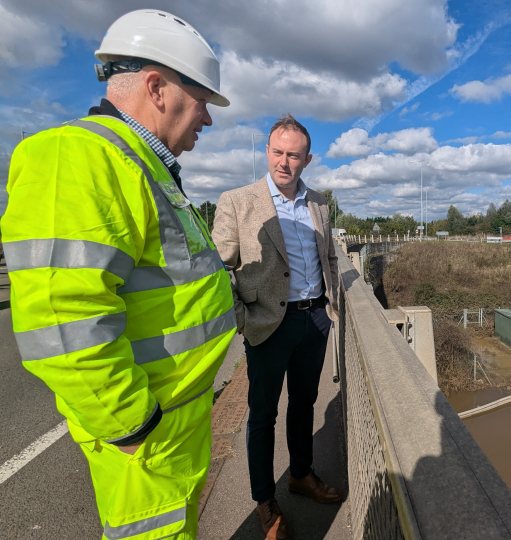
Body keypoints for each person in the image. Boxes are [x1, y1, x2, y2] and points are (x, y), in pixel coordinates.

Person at [1, 10, 235, 540]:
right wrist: (134, 425)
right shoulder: (79, 155)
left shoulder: (144, 166)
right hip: (147, 439)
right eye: (203, 102)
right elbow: (63, 320)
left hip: (175, 426)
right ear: (156, 87)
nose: (208, 120)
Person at [212, 114, 342, 540]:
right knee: (262, 416)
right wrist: (241, 320)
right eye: (278, 152)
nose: (284, 162)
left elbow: (331, 257)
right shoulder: (237, 201)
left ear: (307, 159)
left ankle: (300, 475)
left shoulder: (320, 202)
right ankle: (265, 502)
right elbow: (217, 270)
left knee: (304, 404)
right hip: (268, 324)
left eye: (294, 155)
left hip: (315, 319)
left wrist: (332, 305)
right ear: (267, 152)